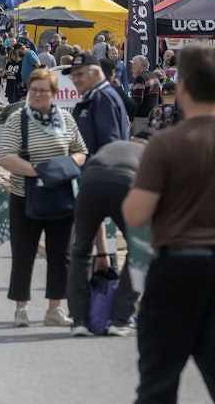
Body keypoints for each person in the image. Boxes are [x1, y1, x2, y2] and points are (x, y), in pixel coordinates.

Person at [124, 44, 215, 402]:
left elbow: (135, 213)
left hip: (178, 265)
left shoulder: (166, 144)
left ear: (184, 85)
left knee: (159, 379)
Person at [0, 67, 87, 328]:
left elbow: (81, 151)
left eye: (43, 91)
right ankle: (21, 309)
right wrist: (40, 172)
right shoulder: (17, 120)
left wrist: (65, 168)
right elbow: (5, 157)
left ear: (54, 94)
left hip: (61, 196)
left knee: (61, 255)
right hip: (25, 196)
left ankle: (54, 309)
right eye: (33, 90)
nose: (37, 94)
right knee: (23, 255)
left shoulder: (66, 120)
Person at [66, 135, 147, 337]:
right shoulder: (152, 155)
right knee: (139, 253)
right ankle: (119, 320)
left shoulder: (113, 147)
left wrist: (102, 254)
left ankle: (79, 321)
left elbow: (99, 216)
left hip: (90, 182)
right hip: (126, 182)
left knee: (80, 251)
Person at [66, 52, 130, 158]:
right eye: (72, 76)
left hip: (101, 171)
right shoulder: (97, 96)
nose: (75, 80)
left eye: (79, 74)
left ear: (96, 73)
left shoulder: (102, 97)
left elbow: (109, 147)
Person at [128, 56, 162, 132]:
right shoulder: (154, 77)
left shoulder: (140, 78)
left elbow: (137, 101)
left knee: (139, 141)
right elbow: (159, 98)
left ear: (143, 66)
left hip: (141, 118)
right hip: (153, 117)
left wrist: (131, 117)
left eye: (135, 64)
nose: (132, 66)